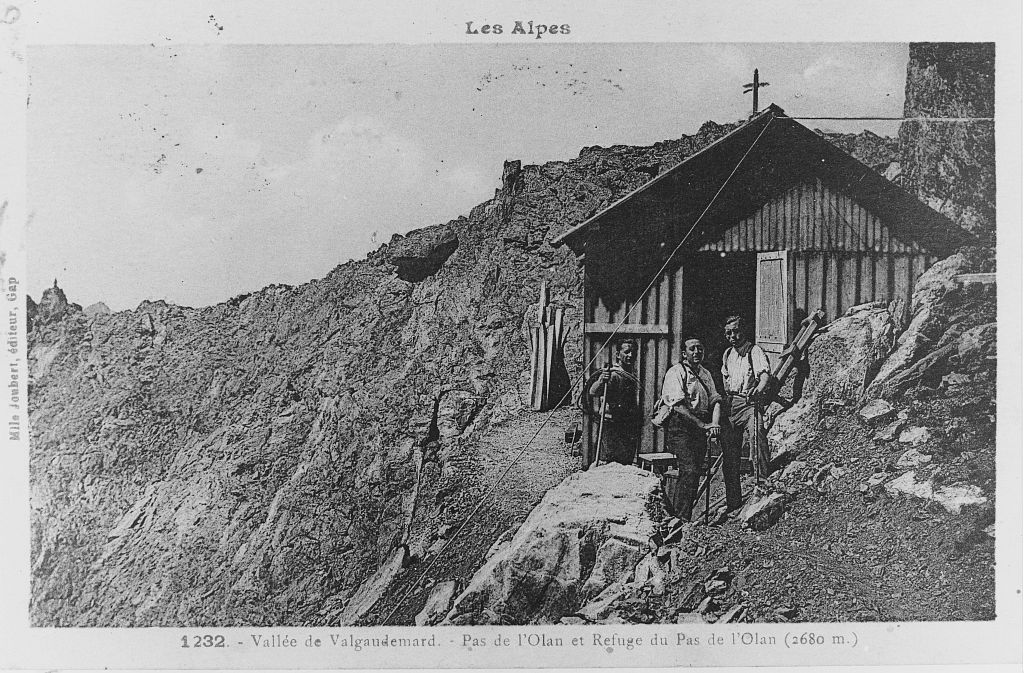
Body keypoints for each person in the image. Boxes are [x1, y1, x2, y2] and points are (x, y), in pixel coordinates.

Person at [658, 337, 722, 521]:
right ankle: (679, 519)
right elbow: (677, 406)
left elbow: (715, 399)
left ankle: (683, 516)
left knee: (695, 472)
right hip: (681, 426)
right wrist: (702, 425)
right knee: (689, 470)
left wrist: (714, 424)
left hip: (699, 426)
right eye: (692, 349)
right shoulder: (676, 372)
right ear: (684, 354)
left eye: (699, 349)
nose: (696, 352)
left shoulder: (705, 374)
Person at [719, 315, 772, 516]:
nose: (732, 336)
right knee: (729, 453)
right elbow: (726, 379)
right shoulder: (727, 354)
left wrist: (758, 390)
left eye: (735, 331)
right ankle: (734, 502)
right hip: (731, 404)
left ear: (743, 330)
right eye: (728, 333)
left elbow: (764, 375)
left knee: (757, 435)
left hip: (749, 402)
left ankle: (762, 485)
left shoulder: (754, 351)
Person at [586, 341, 641, 466]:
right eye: (626, 352)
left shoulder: (630, 374)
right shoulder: (614, 374)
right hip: (612, 426)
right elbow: (593, 391)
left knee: (625, 462)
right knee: (610, 463)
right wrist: (601, 381)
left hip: (626, 425)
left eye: (633, 352)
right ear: (617, 354)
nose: (631, 355)